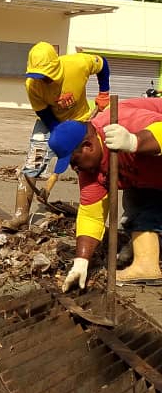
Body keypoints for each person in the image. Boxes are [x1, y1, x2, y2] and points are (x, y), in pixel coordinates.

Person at [48, 98, 162, 291]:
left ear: (88, 146)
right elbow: (92, 215)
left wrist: (134, 141)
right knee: (137, 200)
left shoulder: (122, 122)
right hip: (152, 175)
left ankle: (146, 264)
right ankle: (146, 262)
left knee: (141, 201)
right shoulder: (89, 171)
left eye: (74, 160)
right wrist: (81, 261)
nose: (74, 167)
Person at [3, 42, 110, 231]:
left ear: (55, 68)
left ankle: (90, 216)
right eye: (38, 76)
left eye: (45, 76)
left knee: (85, 166)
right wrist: (59, 135)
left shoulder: (78, 64)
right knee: (33, 163)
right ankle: (21, 215)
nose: (41, 80)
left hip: (80, 121)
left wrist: (104, 93)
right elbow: (44, 114)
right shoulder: (32, 85)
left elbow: (103, 65)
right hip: (50, 122)